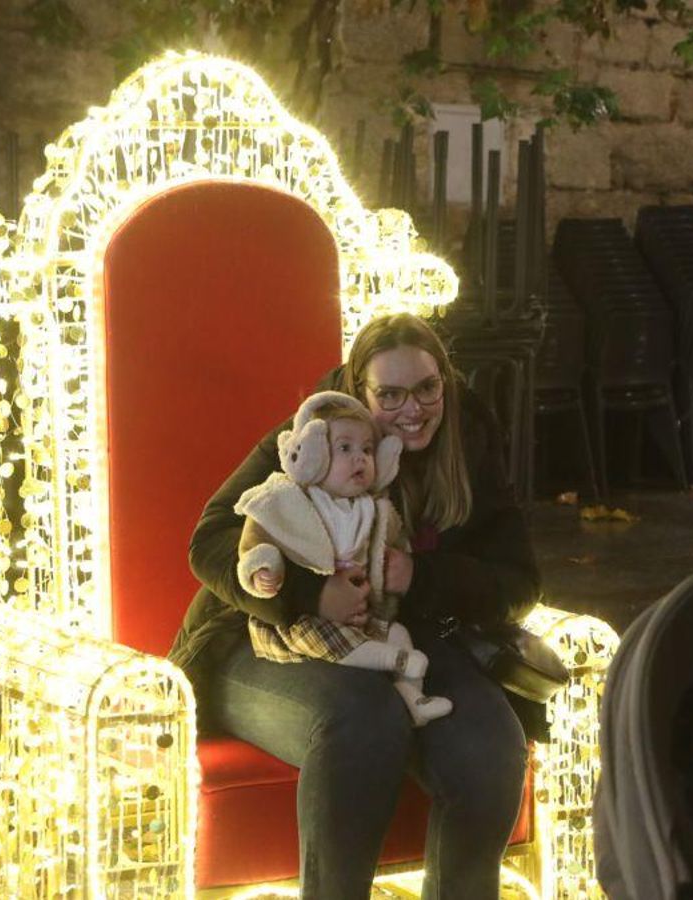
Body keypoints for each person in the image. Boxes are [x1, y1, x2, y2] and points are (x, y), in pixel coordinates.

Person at [169, 313, 540, 898]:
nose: (412, 409)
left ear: (445, 381)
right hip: (259, 639)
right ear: (357, 389)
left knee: (490, 747)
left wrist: (421, 575)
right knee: (364, 719)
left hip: (400, 638)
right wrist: (309, 592)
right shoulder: (314, 436)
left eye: (426, 388)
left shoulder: (468, 439)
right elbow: (210, 540)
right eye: (389, 394)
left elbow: (520, 581)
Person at [234, 390, 451, 726]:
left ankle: (414, 697)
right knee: (330, 641)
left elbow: (396, 542)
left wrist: (403, 565)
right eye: (345, 449)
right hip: (305, 620)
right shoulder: (289, 499)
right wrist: (262, 566)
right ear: (312, 455)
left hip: (362, 616)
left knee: (397, 632)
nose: (360, 459)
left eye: (367, 449)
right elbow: (257, 537)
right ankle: (396, 660)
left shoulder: (374, 508)